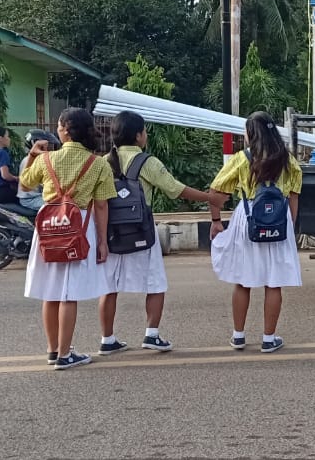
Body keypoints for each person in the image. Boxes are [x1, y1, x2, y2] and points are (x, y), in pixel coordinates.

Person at [97, 111, 227, 356]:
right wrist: (210, 198)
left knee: (109, 287)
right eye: (144, 131)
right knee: (155, 283)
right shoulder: (148, 162)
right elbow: (175, 190)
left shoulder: (104, 162)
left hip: (112, 233)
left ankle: (107, 339)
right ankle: (151, 335)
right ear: (138, 136)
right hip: (141, 232)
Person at [18, 108, 116, 370]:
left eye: (61, 127)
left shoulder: (46, 159)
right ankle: (65, 354)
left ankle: (53, 350)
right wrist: (103, 242)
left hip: (48, 228)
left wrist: (31, 155)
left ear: (64, 130)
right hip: (78, 228)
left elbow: (25, 184)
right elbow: (102, 205)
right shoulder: (98, 164)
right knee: (68, 293)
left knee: (50, 293)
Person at [207, 111, 303, 354]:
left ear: (251, 134)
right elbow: (293, 197)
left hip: (247, 219)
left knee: (243, 280)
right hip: (278, 221)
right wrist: (288, 226)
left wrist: (216, 221)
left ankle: (238, 336)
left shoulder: (242, 159)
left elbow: (216, 192)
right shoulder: (288, 160)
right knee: (274, 283)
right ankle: (269, 339)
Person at [17, 129, 57, 213]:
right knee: (57, 206)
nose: (50, 149)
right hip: (29, 199)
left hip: (37, 196)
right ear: (36, 143)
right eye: (47, 145)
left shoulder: (30, 159)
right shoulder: (33, 160)